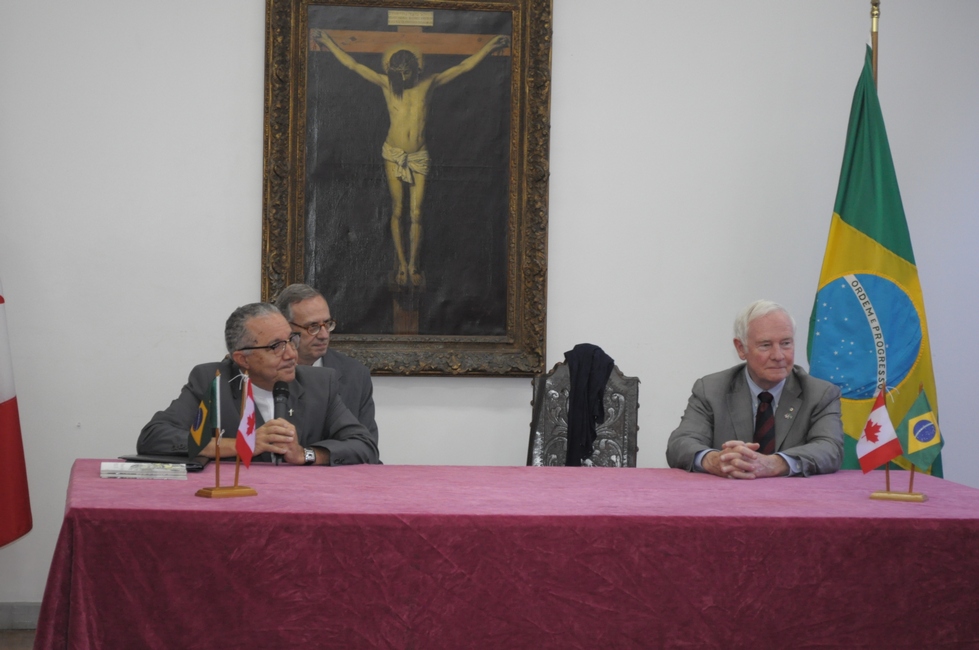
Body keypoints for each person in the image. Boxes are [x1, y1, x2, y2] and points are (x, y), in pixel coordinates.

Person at [317, 31, 510, 287]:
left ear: (417, 69)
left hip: (419, 154)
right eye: (399, 75)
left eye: (407, 74)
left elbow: (464, 66)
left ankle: (413, 264)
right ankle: (400, 264)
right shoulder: (387, 84)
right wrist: (328, 42)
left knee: (417, 212)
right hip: (394, 153)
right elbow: (353, 64)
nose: (403, 79)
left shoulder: (429, 83)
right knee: (398, 209)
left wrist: (489, 46)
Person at [138, 303, 379, 465]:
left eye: (291, 340)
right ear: (243, 359)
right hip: (235, 504)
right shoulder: (212, 381)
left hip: (303, 503)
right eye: (276, 346)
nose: (291, 354)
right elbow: (154, 437)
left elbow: (364, 445)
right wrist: (240, 445)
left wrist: (305, 454)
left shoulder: (320, 384)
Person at [666, 300, 843, 478]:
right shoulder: (711, 390)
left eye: (786, 343)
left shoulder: (820, 394)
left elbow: (830, 449)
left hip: (793, 494)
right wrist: (714, 460)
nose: (778, 355)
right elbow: (680, 443)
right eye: (765, 345)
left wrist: (775, 463)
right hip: (727, 493)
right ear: (741, 348)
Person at [274, 283, 379, 456]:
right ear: (287, 328)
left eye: (327, 324)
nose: (324, 335)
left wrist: (310, 455)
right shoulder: (266, 370)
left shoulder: (355, 375)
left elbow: (367, 449)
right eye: (313, 327)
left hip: (337, 471)